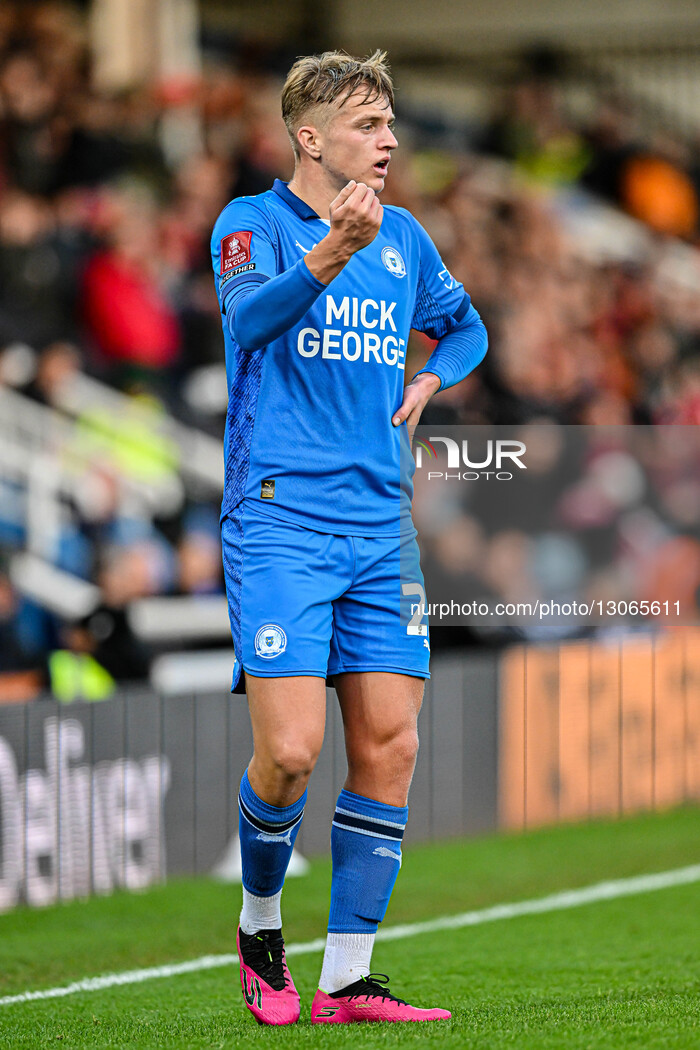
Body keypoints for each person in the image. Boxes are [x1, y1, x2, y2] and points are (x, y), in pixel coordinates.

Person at [211, 49, 487, 1026]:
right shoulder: (252, 226)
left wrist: (431, 379)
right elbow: (250, 324)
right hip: (281, 518)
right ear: (310, 136)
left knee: (391, 746)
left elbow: (466, 329)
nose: (391, 141)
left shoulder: (406, 236)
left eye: (390, 123)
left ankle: (348, 979)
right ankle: (259, 924)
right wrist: (328, 253)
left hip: (382, 527)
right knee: (289, 752)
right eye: (370, 124)